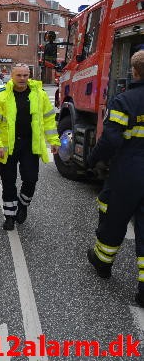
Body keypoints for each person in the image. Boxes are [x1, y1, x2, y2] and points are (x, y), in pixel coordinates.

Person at [86, 50, 144, 308]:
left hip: (130, 170)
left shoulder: (124, 101)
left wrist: (91, 159)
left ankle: (103, 263)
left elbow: (110, 139)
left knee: (114, 217)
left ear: (135, 71)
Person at [0, 63, 60, 231]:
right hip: (8, 146)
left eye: (25, 75)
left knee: (31, 179)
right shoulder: (1, 96)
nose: (22, 79)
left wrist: (54, 140)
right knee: (8, 182)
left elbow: (48, 119)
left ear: (29, 76)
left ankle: (23, 205)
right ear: (11, 76)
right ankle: (9, 216)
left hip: (30, 145)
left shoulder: (40, 95)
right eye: (19, 75)